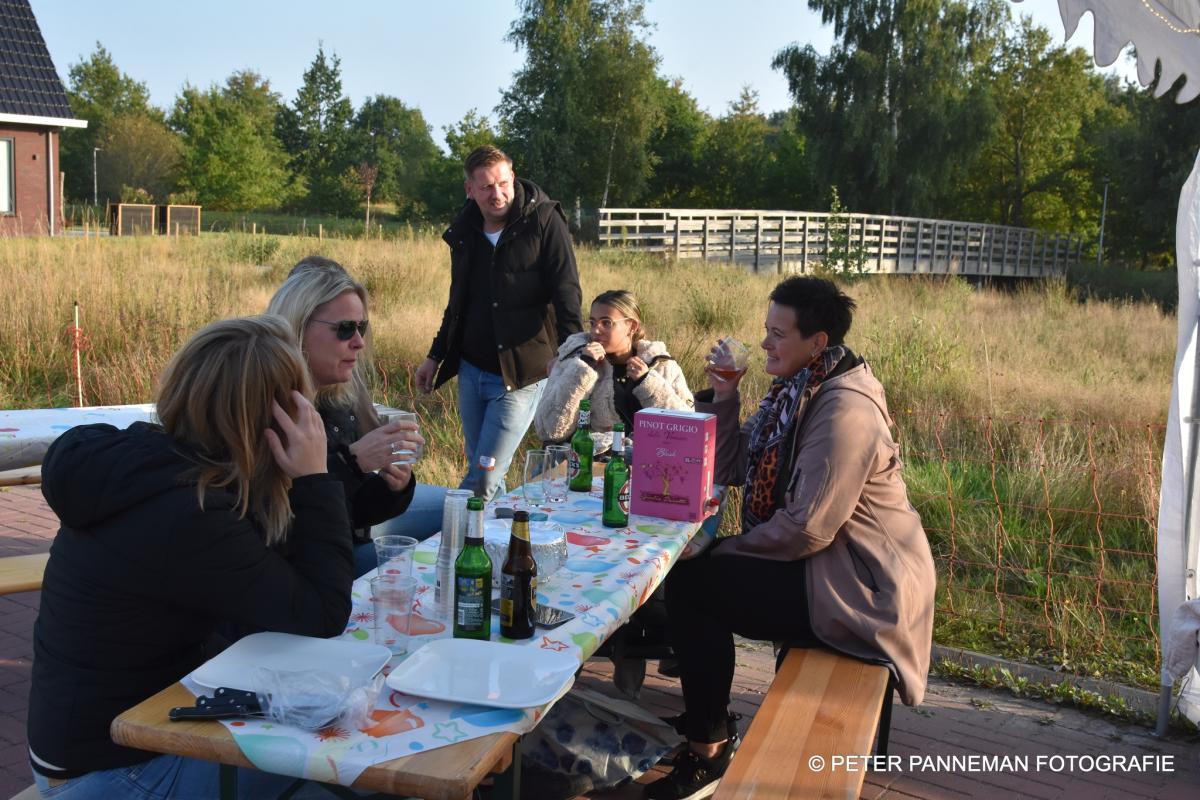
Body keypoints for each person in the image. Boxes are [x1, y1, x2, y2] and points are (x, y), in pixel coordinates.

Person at [28, 316, 354, 798]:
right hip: (113, 772)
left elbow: (273, 590)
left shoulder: (154, 466)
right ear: (278, 418)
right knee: (343, 767)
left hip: (91, 743)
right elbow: (322, 613)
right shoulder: (190, 511)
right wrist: (314, 479)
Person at [645, 276, 936, 800]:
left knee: (693, 586)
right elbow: (731, 468)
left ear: (817, 341)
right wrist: (726, 396)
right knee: (693, 579)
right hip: (826, 564)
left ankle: (708, 748)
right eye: (766, 330)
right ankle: (706, 719)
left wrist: (722, 546)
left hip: (862, 588)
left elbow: (807, 528)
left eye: (778, 334)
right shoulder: (796, 391)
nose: (764, 344)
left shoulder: (844, 411)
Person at [415, 145, 582, 500]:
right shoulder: (465, 231)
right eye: (487, 187)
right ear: (470, 190)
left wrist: (570, 355)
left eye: (503, 183)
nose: (498, 194)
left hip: (521, 375)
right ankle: (495, 536)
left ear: (513, 177)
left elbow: (567, 291)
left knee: (481, 481)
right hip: (471, 370)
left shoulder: (544, 220)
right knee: (488, 473)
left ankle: (451, 530)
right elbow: (458, 302)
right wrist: (435, 355)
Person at [268, 258, 446, 577]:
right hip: (298, 571)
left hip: (338, 548)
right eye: (345, 329)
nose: (359, 342)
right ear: (298, 328)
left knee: (454, 537)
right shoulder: (269, 407)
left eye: (361, 327)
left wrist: (393, 487)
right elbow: (277, 523)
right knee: (431, 571)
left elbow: (353, 513)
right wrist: (352, 463)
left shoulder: (335, 396)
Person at [535, 289, 693, 452]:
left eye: (606, 323)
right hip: (589, 461)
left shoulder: (661, 364)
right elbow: (549, 430)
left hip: (652, 462)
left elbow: (688, 429)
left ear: (632, 326)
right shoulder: (573, 360)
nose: (596, 330)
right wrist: (582, 369)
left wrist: (647, 383)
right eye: (592, 322)